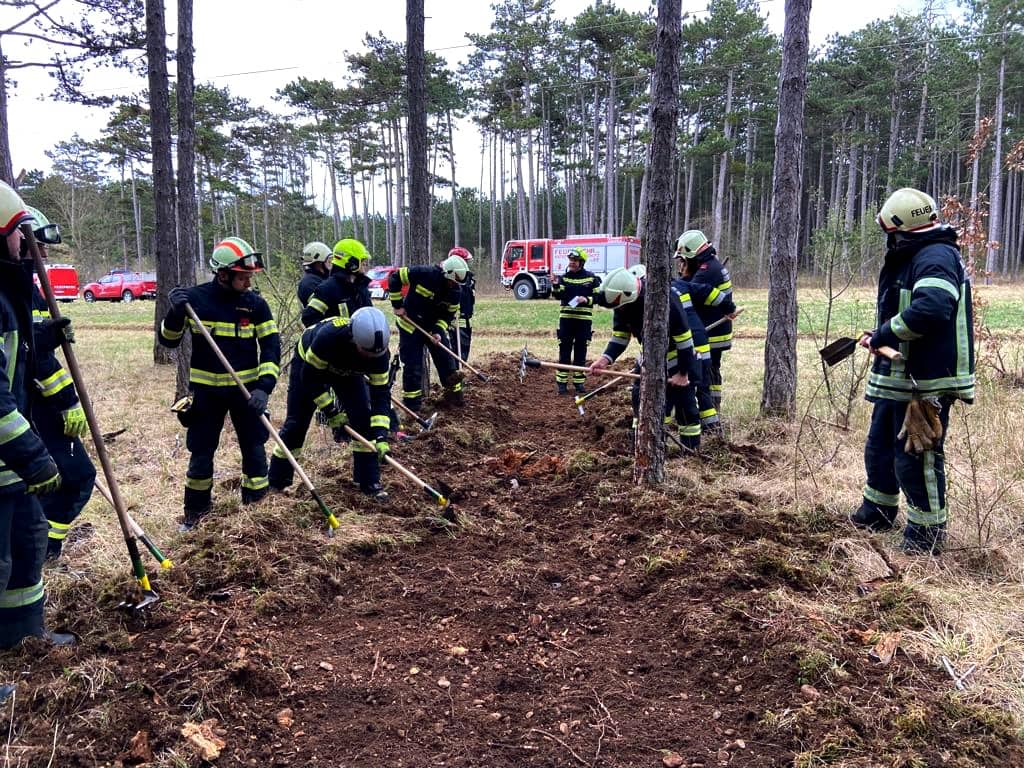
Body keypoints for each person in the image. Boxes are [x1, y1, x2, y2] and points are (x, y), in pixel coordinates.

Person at [851, 188, 974, 555]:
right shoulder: (916, 253)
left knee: (916, 456)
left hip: (927, 380)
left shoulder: (936, 256)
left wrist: (885, 333)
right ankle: (877, 512)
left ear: (902, 228)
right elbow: (907, 310)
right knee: (880, 448)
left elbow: (932, 308)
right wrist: (880, 335)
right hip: (902, 376)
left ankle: (926, 535)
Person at [159, 237, 281, 531]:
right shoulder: (195, 301)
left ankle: (256, 509)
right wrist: (175, 312)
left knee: (254, 450)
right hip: (207, 395)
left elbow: (271, 347)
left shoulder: (255, 305)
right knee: (201, 454)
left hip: (246, 393)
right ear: (223, 274)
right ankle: (195, 514)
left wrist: (264, 388)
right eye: (243, 276)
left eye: (250, 276)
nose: (249, 282)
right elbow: (168, 341)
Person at [0, 181, 72, 658]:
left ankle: (22, 638)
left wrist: (41, 337)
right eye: (18, 232)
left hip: (9, 469)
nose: (26, 242)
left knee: (27, 546)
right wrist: (34, 457)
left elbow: (15, 364)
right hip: (11, 459)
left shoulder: (8, 291)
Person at [25, 206, 96, 560]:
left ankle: (45, 551)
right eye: (36, 245)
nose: (44, 253)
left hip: (43, 405)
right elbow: (26, 357)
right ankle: (38, 551)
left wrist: (48, 336)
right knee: (68, 478)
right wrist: (67, 401)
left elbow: (41, 356)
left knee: (76, 478)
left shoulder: (30, 291)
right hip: (26, 410)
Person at [284, 307, 393, 500]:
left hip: (347, 372)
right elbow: (309, 378)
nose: (370, 358)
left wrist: (381, 436)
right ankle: (278, 481)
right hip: (309, 367)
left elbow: (380, 396)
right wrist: (331, 412)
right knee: (296, 425)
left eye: (374, 355)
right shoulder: (329, 338)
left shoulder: (379, 356)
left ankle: (369, 481)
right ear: (353, 338)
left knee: (363, 420)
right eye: (365, 352)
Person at [590, 268, 695, 448]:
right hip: (649, 356)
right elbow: (620, 336)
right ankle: (643, 446)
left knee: (684, 404)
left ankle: (690, 449)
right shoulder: (622, 304)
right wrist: (605, 359)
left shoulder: (664, 300)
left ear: (628, 295)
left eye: (618, 306)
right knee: (640, 396)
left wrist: (683, 373)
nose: (618, 310)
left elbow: (685, 341)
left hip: (678, 355)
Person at [388, 255, 467, 414]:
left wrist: (438, 332)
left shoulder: (455, 292)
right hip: (410, 326)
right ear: (446, 274)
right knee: (413, 366)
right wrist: (397, 305)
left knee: (447, 362)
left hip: (432, 329)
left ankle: (455, 399)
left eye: (457, 283)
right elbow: (395, 277)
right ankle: (413, 407)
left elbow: (448, 316)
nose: (454, 285)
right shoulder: (425, 273)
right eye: (453, 281)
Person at [672, 251, 737, 437]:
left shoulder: (670, 291)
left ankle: (687, 426)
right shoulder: (683, 285)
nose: (680, 267)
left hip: (691, 347)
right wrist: (730, 307)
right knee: (703, 387)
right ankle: (713, 428)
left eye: (682, 262)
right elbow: (711, 293)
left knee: (689, 387)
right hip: (702, 342)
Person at [551, 247, 601, 395]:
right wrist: (555, 284)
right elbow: (558, 295)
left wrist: (586, 299)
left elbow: (599, 297)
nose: (572, 262)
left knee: (581, 352)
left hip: (583, 322)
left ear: (582, 262)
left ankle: (579, 383)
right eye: (570, 260)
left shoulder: (592, 278)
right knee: (564, 352)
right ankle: (562, 384)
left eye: (575, 260)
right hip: (566, 321)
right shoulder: (564, 278)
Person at [300, 238, 372, 327]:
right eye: (363, 262)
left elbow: (370, 316)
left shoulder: (361, 288)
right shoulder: (327, 288)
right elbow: (309, 317)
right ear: (352, 264)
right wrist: (330, 332)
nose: (365, 265)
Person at [447, 246, 476, 362]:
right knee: (457, 355)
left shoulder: (468, 279)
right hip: (457, 323)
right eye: (465, 261)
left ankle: (460, 369)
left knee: (464, 355)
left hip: (466, 321)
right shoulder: (453, 280)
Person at [297, 241, 332, 306]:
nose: (331, 264)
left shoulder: (321, 278)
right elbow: (326, 306)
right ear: (319, 263)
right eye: (329, 260)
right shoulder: (309, 284)